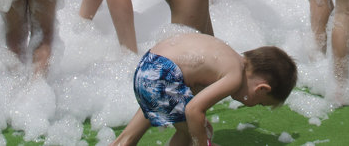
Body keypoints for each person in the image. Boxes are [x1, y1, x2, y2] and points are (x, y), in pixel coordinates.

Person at [110, 32, 296, 146]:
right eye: (261, 104)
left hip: (148, 65)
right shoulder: (234, 76)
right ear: (261, 89)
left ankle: (123, 141)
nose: (254, 106)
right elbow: (193, 110)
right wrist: (202, 143)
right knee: (193, 133)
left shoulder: (228, 56)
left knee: (178, 119)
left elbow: (191, 94)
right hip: (163, 76)